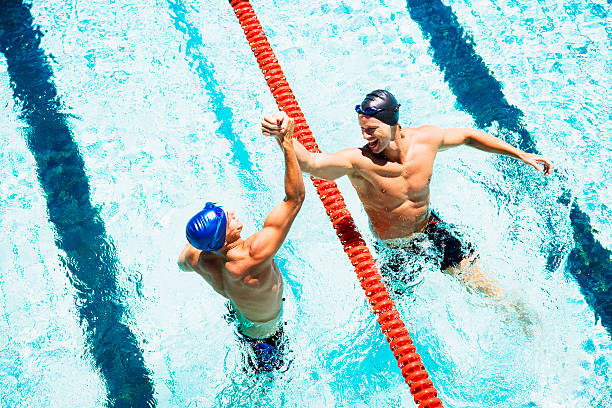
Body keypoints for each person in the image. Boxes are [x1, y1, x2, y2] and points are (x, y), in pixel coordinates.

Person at [261, 90, 552, 298]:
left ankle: (523, 324)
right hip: (396, 249)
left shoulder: (426, 140)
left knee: (483, 287)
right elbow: (312, 163)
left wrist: (519, 154)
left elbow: (467, 136)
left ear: (392, 124)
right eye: (362, 130)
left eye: (372, 130)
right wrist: (283, 138)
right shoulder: (359, 162)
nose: (365, 137)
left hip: (430, 227)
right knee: (397, 310)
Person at [178, 115, 304, 373]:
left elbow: (182, 262)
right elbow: (295, 199)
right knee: (270, 381)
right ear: (223, 238)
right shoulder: (252, 256)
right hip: (265, 336)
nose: (234, 213)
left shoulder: (199, 257)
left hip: (243, 317)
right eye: (228, 218)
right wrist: (287, 142)